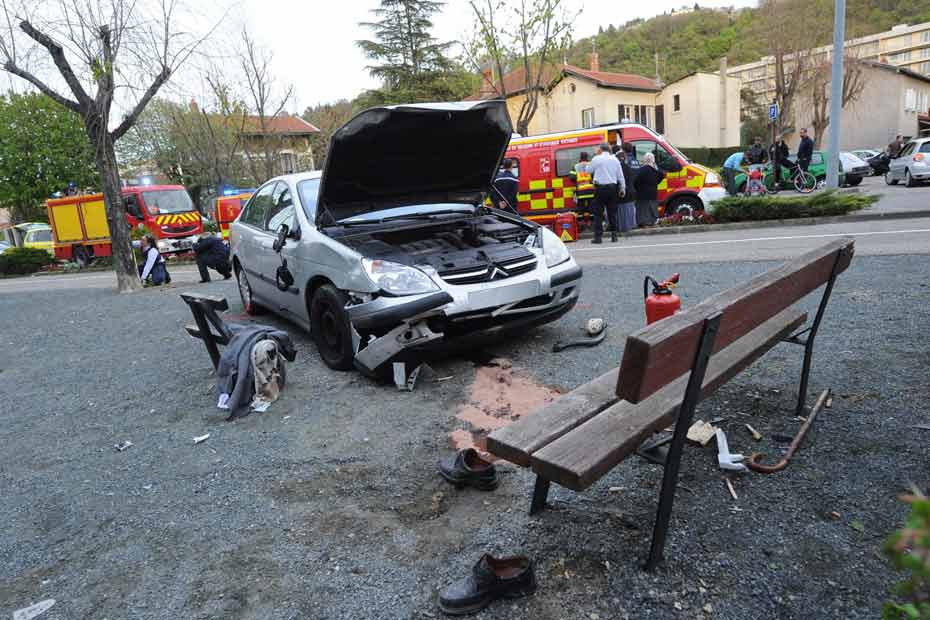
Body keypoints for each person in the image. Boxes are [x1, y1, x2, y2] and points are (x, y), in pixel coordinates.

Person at [588, 142, 624, 243]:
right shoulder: (615, 159)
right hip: (613, 189)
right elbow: (620, 176)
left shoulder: (596, 159)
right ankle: (614, 236)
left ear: (601, 149)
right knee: (612, 213)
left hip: (600, 189)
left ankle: (598, 237)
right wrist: (622, 189)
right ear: (609, 150)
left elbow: (588, 170)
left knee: (598, 213)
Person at [634, 153, 665, 227]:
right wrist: (655, 166)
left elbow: (635, 181)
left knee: (643, 210)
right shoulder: (655, 171)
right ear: (653, 161)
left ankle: (643, 223)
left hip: (642, 194)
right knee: (653, 208)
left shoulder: (641, 170)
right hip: (653, 193)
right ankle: (652, 222)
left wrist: (637, 188)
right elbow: (662, 175)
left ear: (644, 160)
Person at [617, 148, 637, 233]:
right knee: (629, 210)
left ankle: (622, 227)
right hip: (630, 191)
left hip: (621, 191)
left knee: (621, 211)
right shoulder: (628, 167)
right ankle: (630, 226)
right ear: (624, 158)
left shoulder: (617, 167)